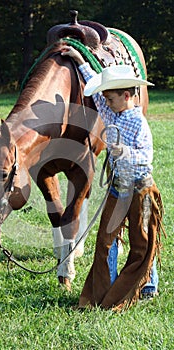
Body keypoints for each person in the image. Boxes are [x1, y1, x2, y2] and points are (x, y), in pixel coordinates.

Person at [61, 46, 164, 310]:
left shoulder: (139, 123)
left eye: (112, 99)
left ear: (127, 96)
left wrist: (123, 152)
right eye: (107, 100)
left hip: (141, 190)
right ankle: (105, 291)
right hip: (118, 189)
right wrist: (79, 60)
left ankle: (147, 286)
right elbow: (96, 96)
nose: (106, 103)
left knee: (141, 242)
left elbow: (146, 157)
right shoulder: (112, 112)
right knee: (105, 241)